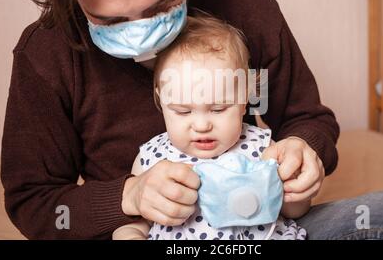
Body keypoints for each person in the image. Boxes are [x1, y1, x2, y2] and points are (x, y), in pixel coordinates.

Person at [1, 0, 383, 240]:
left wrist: (305, 153)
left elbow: (310, 119)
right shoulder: (48, 53)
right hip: (150, 232)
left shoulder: (249, 9)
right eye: (110, 21)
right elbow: (34, 200)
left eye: (160, 6)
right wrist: (129, 196)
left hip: (258, 229)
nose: (139, 35)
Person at [112, 15, 307, 240]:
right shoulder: (152, 158)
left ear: (244, 100)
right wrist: (129, 235)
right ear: (161, 101)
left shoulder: (262, 148)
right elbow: (134, 223)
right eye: (183, 111)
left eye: (218, 109)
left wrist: (295, 187)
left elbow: (296, 210)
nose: (202, 125)